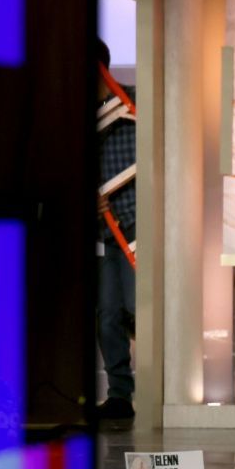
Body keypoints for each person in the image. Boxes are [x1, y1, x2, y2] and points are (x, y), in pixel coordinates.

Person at [96, 39, 136, 424]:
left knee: (138, 311)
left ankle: (162, 394)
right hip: (108, 233)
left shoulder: (134, 104)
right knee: (107, 314)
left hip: (139, 226)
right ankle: (120, 396)